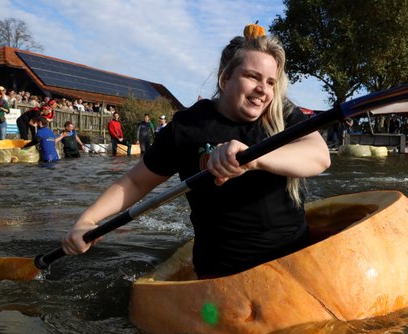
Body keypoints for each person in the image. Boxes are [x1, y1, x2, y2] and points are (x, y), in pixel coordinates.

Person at [62, 24, 331, 278]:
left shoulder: (281, 113)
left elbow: (320, 156)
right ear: (225, 79)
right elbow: (135, 181)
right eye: (252, 76)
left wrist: (255, 159)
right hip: (224, 268)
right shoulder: (187, 127)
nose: (264, 90)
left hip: (295, 252)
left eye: (271, 82)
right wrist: (88, 219)